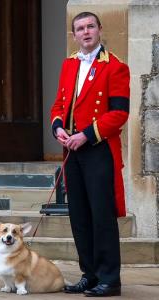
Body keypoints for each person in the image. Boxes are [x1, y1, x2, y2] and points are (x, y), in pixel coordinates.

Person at [51, 12, 129, 297]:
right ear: (74, 35)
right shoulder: (69, 63)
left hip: (98, 149)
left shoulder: (115, 67)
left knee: (101, 216)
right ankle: (90, 274)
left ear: (99, 29)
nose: (85, 32)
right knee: (79, 215)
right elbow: (59, 104)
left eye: (90, 27)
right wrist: (58, 127)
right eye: (80, 28)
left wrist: (86, 134)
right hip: (72, 150)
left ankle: (110, 279)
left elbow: (119, 112)